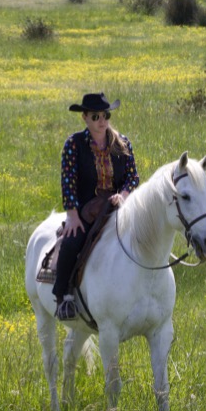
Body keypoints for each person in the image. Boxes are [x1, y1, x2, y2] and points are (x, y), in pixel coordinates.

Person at [53, 92, 139, 320]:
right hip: (87, 211)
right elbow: (68, 181)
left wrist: (123, 195)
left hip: (119, 207)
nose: (101, 121)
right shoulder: (74, 145)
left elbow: (133, 177)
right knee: (71, 243)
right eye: (95, 116)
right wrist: (72, 215)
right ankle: (63, 298)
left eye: (105, 115)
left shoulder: (123, 143)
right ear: (85, 118)